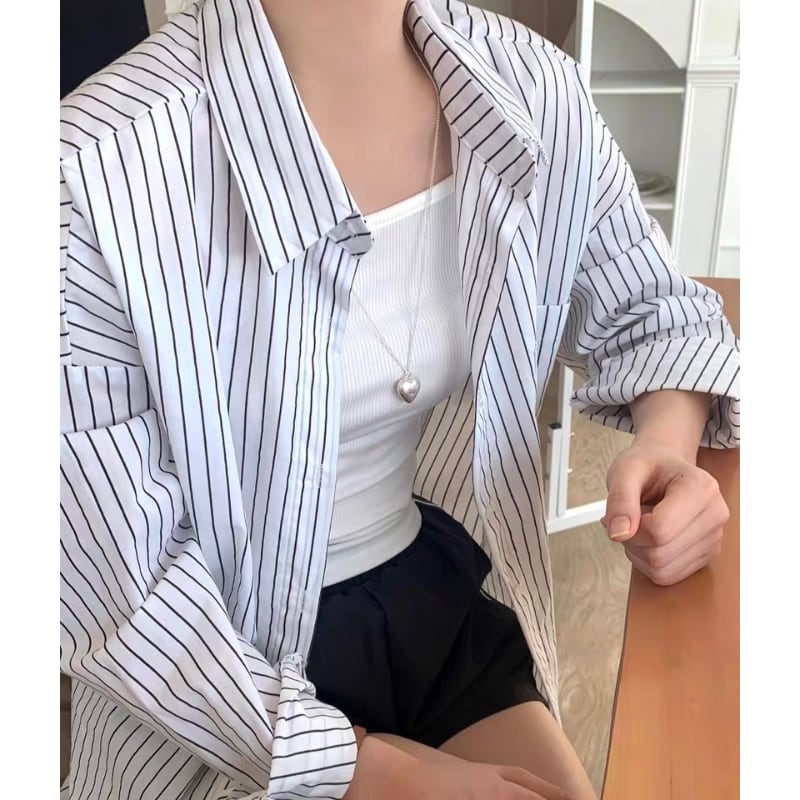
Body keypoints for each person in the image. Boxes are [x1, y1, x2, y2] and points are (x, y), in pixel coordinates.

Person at [59, 0, 740, 798]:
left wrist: (667, 444)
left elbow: (656, 309)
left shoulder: (526, 91)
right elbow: (113, 586)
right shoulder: (93, 173)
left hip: (422, 601)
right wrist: (380, 775)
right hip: (213, 682)